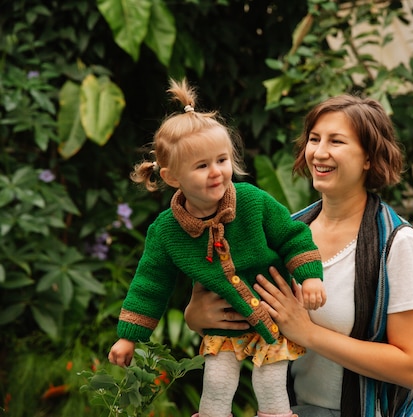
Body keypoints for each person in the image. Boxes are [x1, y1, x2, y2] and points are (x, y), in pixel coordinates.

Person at [185, 94, 413, 417]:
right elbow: (241, 307)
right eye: (314, 139)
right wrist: (196, 316)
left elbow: (411, 368)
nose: (319, 152)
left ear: (369, 158)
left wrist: (308, 333)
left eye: (337, 141)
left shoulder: (396, 243)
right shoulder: (285, 232)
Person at [108, 78, 327, 417]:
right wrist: (128, 337)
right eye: (201, 166)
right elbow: (149, 284)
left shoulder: (253, 202)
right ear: (171, 177)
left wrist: (310, 276)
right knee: (216, 385)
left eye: (222, 160)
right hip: (223, 325)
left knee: (270, 387)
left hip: (271, 316)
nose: (216, 172)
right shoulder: (166, 231)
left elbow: (292, 235)